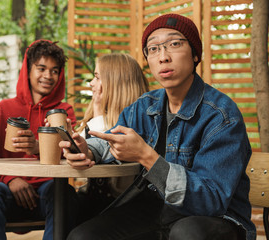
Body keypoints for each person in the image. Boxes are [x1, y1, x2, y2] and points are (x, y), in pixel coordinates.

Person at [61, 14, 256, 240]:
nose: (163, 57)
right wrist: (87, 150)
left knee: (187, 233)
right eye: (153, 49)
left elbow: (210, 200)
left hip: (217, 220)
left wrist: (147, 157)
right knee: (83, 236)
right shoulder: (146, 106)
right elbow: (112, 137)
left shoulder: (221, 116)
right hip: (157, 210)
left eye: (174, 44)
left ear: (195, 54)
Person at [0, 39, 78, 240]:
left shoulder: (64, 112)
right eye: (41, 68)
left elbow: (72, 155)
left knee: (65, 194)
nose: (48, 76)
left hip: (48, 193)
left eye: (55, 70)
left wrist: (39, 147)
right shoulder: (3, 109)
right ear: (27, 70)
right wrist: (10, 179)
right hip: (6, 192)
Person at [75, 53, 149, 223]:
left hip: (119, 207)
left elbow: (99, 142)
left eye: (97, 78)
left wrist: (98, 111)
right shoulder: (99, 119)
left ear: (114, 85)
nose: (92, 83)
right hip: (97, 201)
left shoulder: (132, 127)